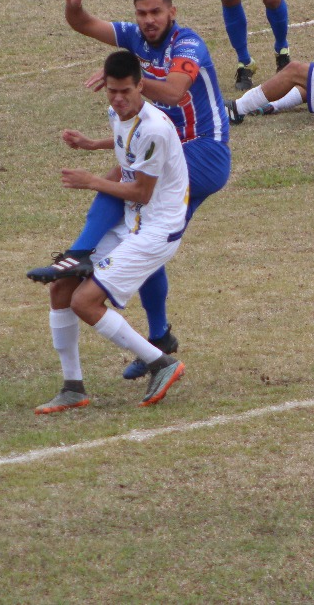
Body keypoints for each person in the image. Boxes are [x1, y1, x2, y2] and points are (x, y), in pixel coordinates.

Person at [27, 0, 230, 381]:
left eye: (156, 12)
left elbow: (173, 94)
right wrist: (73, 5)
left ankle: (83, 258)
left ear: (172, 12)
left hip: (203, 151)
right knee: (141, 229)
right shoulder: (135, 37)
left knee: (135, 214)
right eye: (142, 13)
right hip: (165, 148)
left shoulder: (187, 44)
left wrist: (126, 84)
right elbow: (84, 23)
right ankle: (157, 336)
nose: (149, 20)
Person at [33, 50, 189, 415]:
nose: (118, 100)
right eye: (112, 92)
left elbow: (141, 191)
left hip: (156, 231)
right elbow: (125, 148)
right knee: (61, 287)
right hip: (132, 223)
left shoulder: (154, 128)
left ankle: (160, 362)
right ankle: (73, 387)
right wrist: (92, 144)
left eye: (126, 92)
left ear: (141, 87)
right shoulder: (119, 115)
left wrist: (91, 182)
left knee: (84, 302)